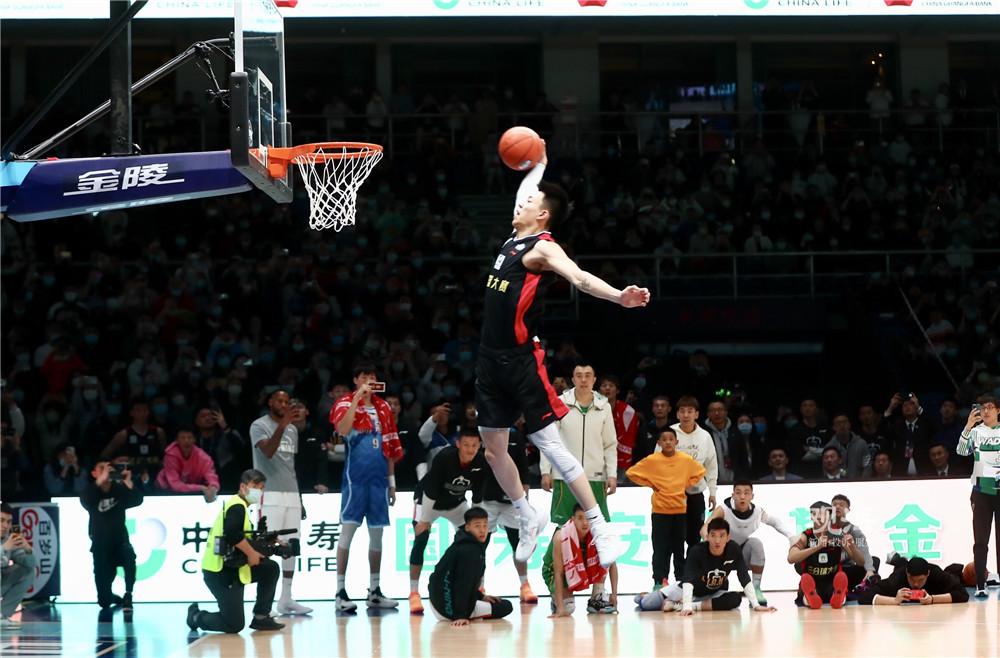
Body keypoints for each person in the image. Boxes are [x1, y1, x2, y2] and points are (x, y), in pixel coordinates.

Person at [474, 142, 650, 569]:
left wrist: (618, 297)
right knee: (494, 451)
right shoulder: (515, 234)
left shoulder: (542, 248)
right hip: (488, 357)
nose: (521, 201)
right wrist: (541, 163)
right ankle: (525, 513)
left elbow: (579, 277)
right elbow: (530, 186)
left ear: (543, 215)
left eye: (530, 202)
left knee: (551, 447)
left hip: (520, 361)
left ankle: (598, 523)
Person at [543, 363, 617, 611]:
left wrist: (612, 474)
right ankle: (560, 592)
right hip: (565, 478)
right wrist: (546, 470)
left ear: (594, 379)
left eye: (588, 375)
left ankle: (597, 595)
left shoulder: (603, 405)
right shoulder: (560, 403)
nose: (583, 379)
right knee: (561, 534)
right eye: (579, 375)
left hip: (595, 478)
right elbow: (548, 440)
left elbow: (610, 444)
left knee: (601, 536)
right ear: (572, 379)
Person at [330, 363, 403, 612]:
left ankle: (374, 591)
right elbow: (342, 429)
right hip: (355, 480)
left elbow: (391, 446)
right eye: (364, 377)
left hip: (379, 481)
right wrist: (357, 400)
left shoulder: (383, 407)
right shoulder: (344, 403)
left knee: (377, 536)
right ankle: (340, 592)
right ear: (355, 379)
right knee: (347, 534)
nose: (369, 381)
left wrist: (392, 484)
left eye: (372, 377)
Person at [186, 469, 284, 633]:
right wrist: (252, 554)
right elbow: (232, 534)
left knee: (270, 568)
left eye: (261, 487)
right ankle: (196, 616)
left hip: (234, 568)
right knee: (234, 625)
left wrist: (266, 544)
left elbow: (242, 537)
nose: (258, 491)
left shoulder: (240, 506)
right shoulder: (237, 506)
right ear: (243, 487)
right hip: (220, 573)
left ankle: (261, 617)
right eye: (255, 486)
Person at [409, 428, 489, 614]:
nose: (470, 450)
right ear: (458, 444)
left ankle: (478, 587)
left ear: (480, 446)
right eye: (466, 445)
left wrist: (479, 523)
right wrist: (425, 521)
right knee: (420, 539)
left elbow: (478, 496)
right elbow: (430, 491)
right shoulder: (444, 458)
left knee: (477, 542)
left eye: (474, 446)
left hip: (456, 505)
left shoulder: (481, 462)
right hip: (428, 501)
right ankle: (414, 592)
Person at [249, 389, 312, 616]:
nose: (284, 404)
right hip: (269, 493)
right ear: (270, 402)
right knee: (267, 545)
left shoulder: (293, 429)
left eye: (287, 402)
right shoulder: (259, 425)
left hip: (291, 494)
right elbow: (267, 452)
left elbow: (289, 466)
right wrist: (283, 425)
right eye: (280, 400)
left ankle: (286, 598)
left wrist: (299, 497)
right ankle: (264, 602)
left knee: (291, 546)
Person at [634, 518, 775, 615]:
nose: (717, 540)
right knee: (646, 604)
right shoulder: (697, 551)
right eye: (713, 535)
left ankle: (677, 606)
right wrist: (687, 606)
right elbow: (688, 579)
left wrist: (756, 605)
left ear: (728, 537)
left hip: (714, 593)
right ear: (707, 536)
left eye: (721, 536)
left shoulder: (734, 549)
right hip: (688, 591)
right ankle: (645, 596)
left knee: (735, 599)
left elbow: (743, 576)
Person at [627, 428, 706, 589]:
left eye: (671, 439)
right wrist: (651, 484)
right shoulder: (652, 460)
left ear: (677, 442)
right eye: (664, 439)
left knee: (679, 547)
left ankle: (681, 579)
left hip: (679, 511)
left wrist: (685, 483)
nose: (668, 442)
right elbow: (631, 473)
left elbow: (700, 472)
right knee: (660, 548)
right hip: (660, 511)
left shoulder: (685, 459)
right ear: (659, 443)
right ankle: (659, 580)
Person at [699, 480, 797, 604]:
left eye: (746, 493)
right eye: (738, 493)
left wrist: (791, 536)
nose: (742, 497)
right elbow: (705, 527)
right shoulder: (723, 510)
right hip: (719, 554)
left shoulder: (757, 511)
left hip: (740, 554)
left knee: (756, 544)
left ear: (752, 496)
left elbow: (775, 522)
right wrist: (709, 542)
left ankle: (756, 589)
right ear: (733, 495)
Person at [479, 428, 539, 604]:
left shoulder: (514, 435)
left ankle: (524, 585)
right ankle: (479, 586)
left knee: (517, 543)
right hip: (487, 499)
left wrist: (524, 494)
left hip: (511, 499)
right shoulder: (484, 431)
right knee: (480, 546)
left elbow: (522, 465)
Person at [427, 507, 514, 626]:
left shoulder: (465, 544)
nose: (482, 530)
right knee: (506, 606)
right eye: (477, 526)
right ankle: (464, 613)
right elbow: (462, 583)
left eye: (485, 525)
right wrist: (460, 616)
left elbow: (465, 581)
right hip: (447, 609)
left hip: (437, 601)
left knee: (497, 602)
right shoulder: (470, 551)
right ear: (467, 527)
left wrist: (481, 596)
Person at [81, 459, 143, 610]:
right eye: (101, 468)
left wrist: (128, 482)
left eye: (109, 468)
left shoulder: (119, 489)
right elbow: (85, 501)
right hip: (100, 546)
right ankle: (110, 597)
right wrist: (101, 479)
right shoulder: (91, 491)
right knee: (104, 601)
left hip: (120, 542)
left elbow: (137, 500)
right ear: (94, 473)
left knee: (129, 555)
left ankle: (128, 594)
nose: (106, 471)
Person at [956, 396, 1000, 597]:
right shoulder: (974, 432)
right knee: (980, 540)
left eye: (990, 407)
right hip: (981, 492)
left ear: (998, 410)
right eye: (983, 408)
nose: (986, 411)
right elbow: (961, 451)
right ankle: (980, 584)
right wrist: (967, 426)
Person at [543, 504, 619, 617]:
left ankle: (597, 597)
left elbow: (612, 564)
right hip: (557, 571)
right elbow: (558, 572)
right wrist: (560, 608)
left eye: (587, 518)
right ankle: (557, 601)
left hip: (583, 565)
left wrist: (614, 595)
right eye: (580, 518)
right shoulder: (561, 536)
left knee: (605, 558)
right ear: (572, 519)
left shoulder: (600, 533)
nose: (585, 523)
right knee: (568, 608)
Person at [787, 501, 865, 609]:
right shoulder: (806, 536)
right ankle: (809, 598)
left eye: (824, 514)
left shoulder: (839, 535)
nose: (820, 517)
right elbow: (791, 558)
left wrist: (852, 547)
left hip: (832, 581)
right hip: (812, 581)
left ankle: (839, 596)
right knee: (807, 587)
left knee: (840, 583)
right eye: (816, 514)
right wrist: (816, 547)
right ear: (812, 517)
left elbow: (861, 562)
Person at [668, 396, 719, 548]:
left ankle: (693, 570)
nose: (686, 415)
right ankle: (678, 572)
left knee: (695, 537)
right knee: (676, 537)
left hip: (696, 493)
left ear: (696, 414)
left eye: (690, 411)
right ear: (677, 414)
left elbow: (711, 466)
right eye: (682, 411)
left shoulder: (704, 436)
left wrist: (712, 491)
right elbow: (656, 463)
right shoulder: (669, 434)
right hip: (673, 495)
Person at [100, 398, 167, 490]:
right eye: (138, 410)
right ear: (132, 413)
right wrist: (114, 461)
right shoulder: (123, 434)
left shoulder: (158, 432)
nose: (142, 413)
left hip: (155, 474)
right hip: (131, 476)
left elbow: (165, 455)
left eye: (144, 410)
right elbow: (104, 456)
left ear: (148, 412)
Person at [859, 556, 968, 605]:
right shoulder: (898, 578)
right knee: (900, 566)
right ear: (907, 574)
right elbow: (864, 597)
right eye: (912, 579)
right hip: (901, 569)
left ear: (927, 575)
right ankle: (899, 560)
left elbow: (963, 594)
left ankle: (899, 559)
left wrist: (933, 599)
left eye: (920, 580)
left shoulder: (936, 575)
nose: (916, 584)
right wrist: (894, 601)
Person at [155, 428, 220, 501]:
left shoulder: (204, 457)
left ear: (194, 440)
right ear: (177, 440)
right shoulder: (170, 456)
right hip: (165, 492)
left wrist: (213, 488)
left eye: (189, 437)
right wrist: (201, 488)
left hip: (193, 493)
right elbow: (175, 485)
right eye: (183, 438)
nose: (186, 441)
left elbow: (211, 477)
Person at [830, 494, 877, 590]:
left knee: (874, 561)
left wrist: (869, 570)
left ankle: (863, 585)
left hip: (847, 570)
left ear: (848, 510)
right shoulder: (823, 529)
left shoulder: (855, 531)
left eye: (842, 505)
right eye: (834, 505)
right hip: (828, 569)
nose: (837, 507)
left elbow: (864, 550)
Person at [1, 502, 35, 627]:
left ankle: (2, 615)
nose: (5, 525)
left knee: (27, 571)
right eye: (1, 520)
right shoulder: (6, 543)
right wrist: (3, 548)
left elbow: (31, 564)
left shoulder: (8, 539)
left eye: (9, 522)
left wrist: (28, 549)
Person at [599, 375, 639, 483]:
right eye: (604, 386)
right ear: (599, 390)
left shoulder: (628, 411)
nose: (607, 388)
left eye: (611, 386)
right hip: (597, 460)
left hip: (621, 460)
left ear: (617, 390)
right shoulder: (593, 410)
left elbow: (630, 439)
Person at [635, 396, 672, 465]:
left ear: (669, 409)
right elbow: (639, 455)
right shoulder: (644, 429)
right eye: (656, 405)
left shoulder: (674, 429)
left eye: (663, 405)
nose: (659, 408)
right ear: (652, 409)